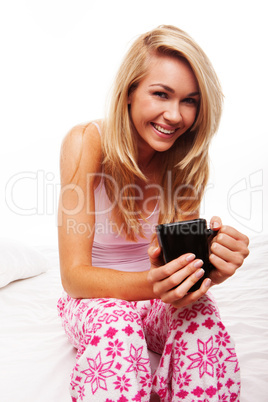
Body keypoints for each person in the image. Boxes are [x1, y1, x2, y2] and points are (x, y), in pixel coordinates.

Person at [57, 25, 249, 402]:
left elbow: (174, 264)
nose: (175, 115)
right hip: (95, 301)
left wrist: (209, 269)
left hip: (157, 299)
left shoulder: (185, 158)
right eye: (161, 94)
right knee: (118, 324)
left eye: (190, 100)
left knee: (202, 318)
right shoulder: (86, 142)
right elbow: (73, 277)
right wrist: (159, 285)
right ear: (129, 92)